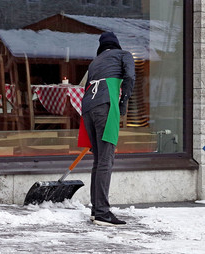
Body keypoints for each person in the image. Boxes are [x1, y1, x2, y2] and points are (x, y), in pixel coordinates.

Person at [80, 32, 135, 226]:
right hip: (105, 104)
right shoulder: (124, 55)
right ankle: (102, 212)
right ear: (117, 45)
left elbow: (85, 87)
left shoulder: (94, 63)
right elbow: (129, 78)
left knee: (99, 161)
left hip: (87, 107)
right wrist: (122, 106)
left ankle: (97, 210)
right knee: (105, 160)